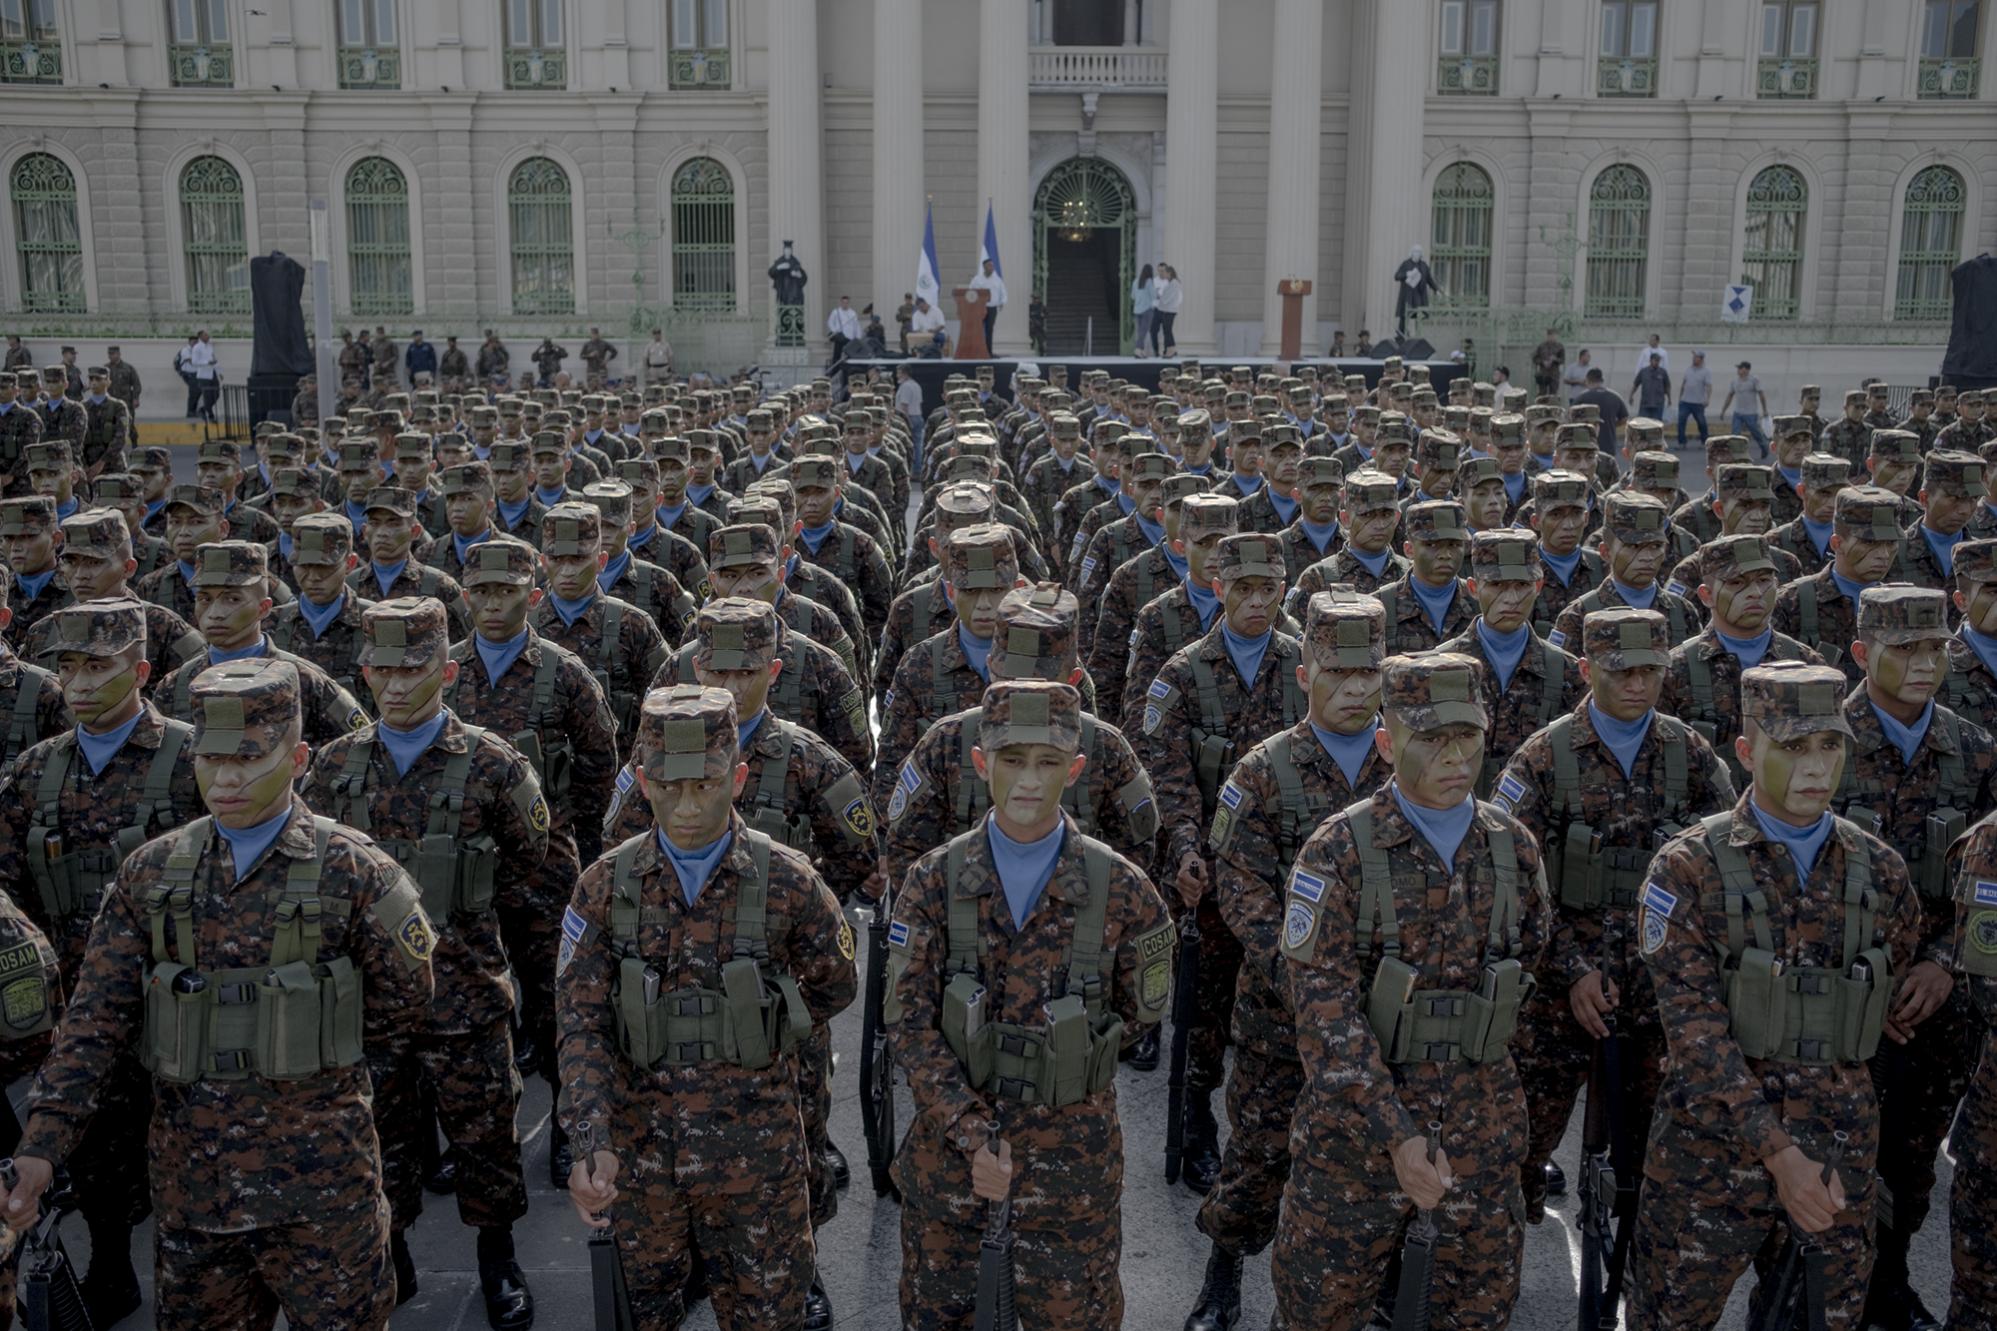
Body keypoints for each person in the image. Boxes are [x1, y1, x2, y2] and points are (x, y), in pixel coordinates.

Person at [0, 656, 437, 1331]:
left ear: (296, 758)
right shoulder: (150, 873)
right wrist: (41, 1147)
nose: (226, 778)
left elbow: (406, 1006)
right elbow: (93, 1023)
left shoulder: (355, 872)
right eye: (210, 757)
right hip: (194, 1195)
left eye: (248, 757)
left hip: (322, 1193)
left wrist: (312, 1064)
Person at [1629, 660, 1920, 1330]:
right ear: (1744, 748)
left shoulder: (1878, 868)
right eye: (1792, 746)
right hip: (1710, 1157)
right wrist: (1777, 1151)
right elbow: (1695, 1037)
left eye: (1830, 745)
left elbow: (1891, 968)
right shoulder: (1685, 867)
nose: (1816, 766)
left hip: (1835, 1156)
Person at [558, 683, 856, 1330]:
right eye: (667, 786)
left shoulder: (789, 883)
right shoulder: (604, 887)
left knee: (768, 1314)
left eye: (706, 783)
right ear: (642, 780)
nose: (687, 805)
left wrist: (763, 1026)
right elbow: (581, 1024)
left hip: (758, 1158)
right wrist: (591, 1138)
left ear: (739, 776)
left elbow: (833, 983)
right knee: (645, 1311)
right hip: (643, 1162)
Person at [1274, 652, 1552, 1328]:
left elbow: (1529, 967)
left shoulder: (1511, 848)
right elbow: (1325, 1017)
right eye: (1429, 737)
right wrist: (1396, 1134)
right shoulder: (1335, 852)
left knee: (1475, 1309)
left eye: (1466, 735)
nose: (1453, 755)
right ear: (1385, 741)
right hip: (1356, 1143)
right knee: (1321, 1309)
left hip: (1478, 1136)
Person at [885, 677, 1172, 1328]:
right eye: (1012, 759)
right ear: (982, 762)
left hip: (1071, 1169)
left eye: (1047, 762)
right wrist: (968, 1127)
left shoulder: (1124, 891)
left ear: (1073, 769)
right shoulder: (932, 881)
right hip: (949, 1167)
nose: (1029, 780)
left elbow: (1138, 1013)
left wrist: (1059, 1069)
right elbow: (907, 1021)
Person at [300, 598, 548, 1327]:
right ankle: (394, 1248)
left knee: (485, 1133)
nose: (397, 684)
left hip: (465, 991)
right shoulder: (334, 766)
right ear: (364, 670)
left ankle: (497, 1257)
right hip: (373, 1003)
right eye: (382, 668)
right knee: (384, 1135)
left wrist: (465, 924)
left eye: (415, 669)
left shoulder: (496, 765)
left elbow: (526, 863)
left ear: (445, 669)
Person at [1185, 591, 1391, 1329]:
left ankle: (1373, 1286)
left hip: (1378, 1010)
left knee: (1372, 1149)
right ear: (1303, 671)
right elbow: (1236, 879)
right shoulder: (1264, 769)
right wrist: (1293, 969)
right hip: (1281, 1009)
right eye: (1337, 669)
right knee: (1262, 1147)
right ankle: (1224, 1267)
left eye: (1369, 669)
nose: (1356, 687)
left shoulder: (1410, 760)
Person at [1718, 360, 1770, 457]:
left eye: (1740, 368)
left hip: (1750, 413)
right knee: (1735, 434)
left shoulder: (1754, 380)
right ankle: (1736, 454)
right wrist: (1723, 410)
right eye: (1738, 368)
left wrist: (1765, 410)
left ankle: (1764, 447)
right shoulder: (1734, 381)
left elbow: (1761, 395)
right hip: (1738, 413)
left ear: (1746, 370)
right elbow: (1730, 396)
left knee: (1756, 433)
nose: (1738, 370)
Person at [1676, 349, 1714, 449]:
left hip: (1698, 402)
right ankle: (1682, 442)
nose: (1693, 359)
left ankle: (1704, 442)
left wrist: (1707, 399)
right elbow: (1684, 384)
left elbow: (1709, 386)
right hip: (1685, 401)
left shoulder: (1706, 371)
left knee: (1701, 422)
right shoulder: (1688, 369)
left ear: (1701, 359)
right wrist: (1680, 398)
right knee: (1681, 421)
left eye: (1696, 357)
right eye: (1693, 357)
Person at [970, 258, 1006, 354]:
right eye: (989, 265)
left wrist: (1002, 302)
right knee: (978, 330)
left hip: (992, 308)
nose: (992, 267)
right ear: (984, 267)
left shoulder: (997, 280)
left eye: (992, 265)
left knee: (989, 330)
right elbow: (970, 292)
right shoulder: (977, 279)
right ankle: (977, 351)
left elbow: (1003, 293)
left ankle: (988, 352)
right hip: (979, 307)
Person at [187, 330, 219, 422]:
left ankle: (203, 409)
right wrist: (207, 363)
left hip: (212, 373)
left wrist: (219, 371)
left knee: (216, 394)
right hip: (203, 375)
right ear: (201, 336)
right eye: (206, 335)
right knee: (207, 395)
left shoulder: (210, 346)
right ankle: (210, 415)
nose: (208, 336)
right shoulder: (197, 348)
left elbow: (213, 358)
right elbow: (194, 362)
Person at [1631, 351, 1671, 419]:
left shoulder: (1663, 372)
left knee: (1656, 425)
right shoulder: (1643, 372)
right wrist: (1631, 395)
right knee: (1643, 424)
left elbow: (1667, 386)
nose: (1657, 362)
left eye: (1658, 360)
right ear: (1650, 360)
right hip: (1645, 403)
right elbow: (1635, 384)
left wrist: (1669, 399)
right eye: (1655, 360)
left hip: (1658, 404)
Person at [1154, 263, 1184, 355]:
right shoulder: (1171, 283)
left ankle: (1170, 349)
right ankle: (1171, 349)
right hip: (1167, 310)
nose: (1163, 275)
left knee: (1167, 330)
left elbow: (1167, 298)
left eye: (1165, 273)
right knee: (1167, 330)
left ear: (1169, 273)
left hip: (1170, 310)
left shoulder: (1174, 283)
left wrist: (1159, 296)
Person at [826, 295, 861, 368]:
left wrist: (858, 337)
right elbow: (830, 322)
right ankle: (835, 368)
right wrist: (835, 331)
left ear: (848, 303)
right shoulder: (836, 312)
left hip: (850, 338)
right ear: (841, 303)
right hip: (840, 337)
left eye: (846, 303)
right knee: (837, 355)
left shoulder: (853, 313)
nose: (845, 304)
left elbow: (857, 326)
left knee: (849, 355)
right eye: (843, 302)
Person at [1532, 328, 1566, 398]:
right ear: (1547, 336)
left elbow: (1562, 360)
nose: (1552, 337)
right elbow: (1535, 358)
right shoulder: (1541, 346)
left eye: (1554, 335)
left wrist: (1555, 359)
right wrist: (1542, 362)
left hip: (1554, 374)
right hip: (1543, 373)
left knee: (1553, 394)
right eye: (1550, 335)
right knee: (1542, 394)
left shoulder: (1560, 347)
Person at [1132, 263, 1157, 357]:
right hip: (1147, 310)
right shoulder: (1149, 281)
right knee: (1143, 332)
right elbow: (1154, 296)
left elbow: (1133, 296)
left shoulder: (1135, 281)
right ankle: (1137, 349)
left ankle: (1141, 351)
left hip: (1137, 310)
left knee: (1140, 331)